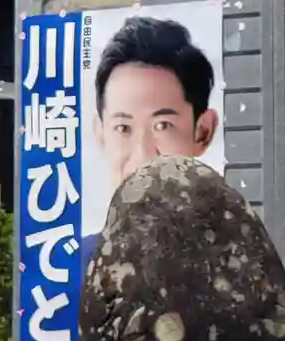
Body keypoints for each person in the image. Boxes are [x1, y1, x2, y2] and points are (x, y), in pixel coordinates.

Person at [78, 16, 220, 276]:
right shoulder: (73, 268)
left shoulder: (235, 261)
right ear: (101, 134)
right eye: (123, 128)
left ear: (203, 132)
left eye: (163, 126)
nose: (143, 157)